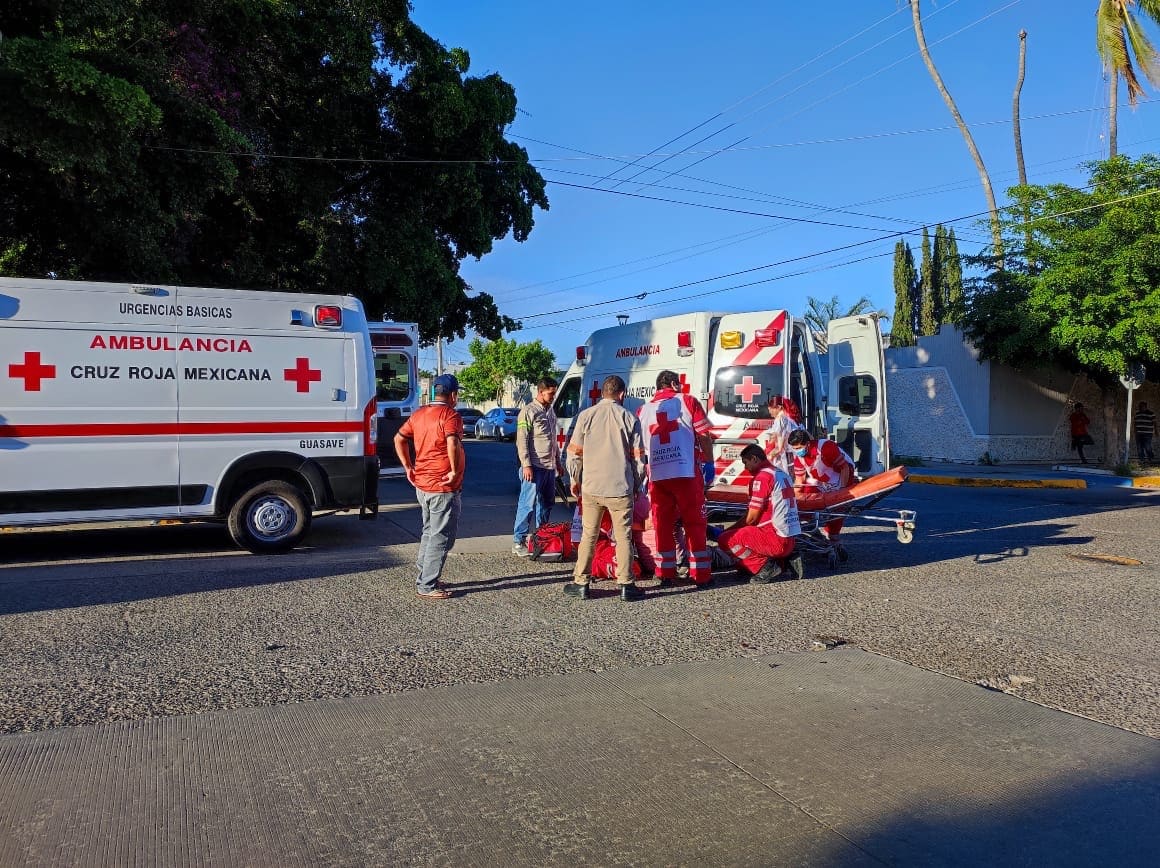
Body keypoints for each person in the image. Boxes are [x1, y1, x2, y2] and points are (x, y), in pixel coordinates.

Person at [564, 375, 647, 601]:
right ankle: (626, 585)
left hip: (592, 487)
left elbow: (574, 453)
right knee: (623, 537)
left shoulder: (586, 416)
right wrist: (637, 484)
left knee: (589, 535)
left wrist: (575, 479)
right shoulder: (629, 418)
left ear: (602, 393)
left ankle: (581, 583)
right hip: (621, 488)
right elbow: (638, 458)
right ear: (622, 394)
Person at [637, 370, 715, 585]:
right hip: (686, 471)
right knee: (695, 522)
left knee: (662, 524)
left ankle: (665, 573)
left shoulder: (643, 410)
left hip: (658, 475)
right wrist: (709, 460)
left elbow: (639, 448)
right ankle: (700, 575)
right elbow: (704, 435)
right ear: (673, 383)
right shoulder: (688, 401)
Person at [393, 374, 465, 599]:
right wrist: (453, 471)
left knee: (429, 531)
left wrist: (408, 466)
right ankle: (427, 584)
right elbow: (452, 441)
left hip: (423, 484)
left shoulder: (419, 414)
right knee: (442, 536)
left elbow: (399, 438)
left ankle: (426, 573)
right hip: (442, 486)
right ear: (453, 394)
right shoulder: (450, 415)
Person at [716, 445, 803, 583]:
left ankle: (765, 567)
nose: (745, 468)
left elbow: (751, 519)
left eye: (746, 462)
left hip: (775, 539)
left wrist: (729, 531)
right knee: (743, 544)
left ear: (754, 459)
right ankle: (783, 561)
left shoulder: (762, 477)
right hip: (789, 539)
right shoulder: (780, 473)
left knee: (727, 540)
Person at [787, 428, 855, 562]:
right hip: (820, 479)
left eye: (799, 447)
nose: (797, 450)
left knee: (837, 508)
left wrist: (842, 491)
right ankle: (810, 531)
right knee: (805, 502)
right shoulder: (798, 458)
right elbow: (800, 481)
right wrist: (793, 501)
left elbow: (845, 468)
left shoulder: (826, 447)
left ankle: (834, 539)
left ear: (807, 443)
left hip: (841, 476)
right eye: (794, 448)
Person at [512, 377, 563, 556]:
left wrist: (558, 461)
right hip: (534, 466)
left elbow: (554, 439)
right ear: (540, 392)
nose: (553, 396)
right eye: (551, 393)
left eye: (554, 393)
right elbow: (522, 440)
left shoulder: (550, 412)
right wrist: (526, 465)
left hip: (549, 467)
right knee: (527, 504)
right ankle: (518, 540)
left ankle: (541, 535)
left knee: (547, 503)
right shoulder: (528, 411)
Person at [762, 394, 805, 474]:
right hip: (797, 457)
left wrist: (767, 458)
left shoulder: (781, 420)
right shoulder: (792, 419)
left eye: (771, 410)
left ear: (778, 407)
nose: (770, 413)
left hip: (787, 459)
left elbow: (779, 448)